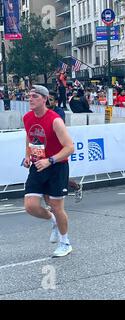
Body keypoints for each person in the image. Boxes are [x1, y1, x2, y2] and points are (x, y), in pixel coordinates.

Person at [23, 85, 75, 257]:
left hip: (56, 166)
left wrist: (50, 160)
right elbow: (29, 137)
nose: (30, 99)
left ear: (44, 99)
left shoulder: (55, 120)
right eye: (29, 96)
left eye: (35, 96)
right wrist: (27, 155)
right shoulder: (27, 117)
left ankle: (65, 243)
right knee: (30, 206)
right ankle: (52, 220)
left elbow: (70, 148)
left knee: (56, 206)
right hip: (38, 165)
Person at [47, 91, 83, 202]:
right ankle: (49, 204)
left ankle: (76, 186)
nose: (48, 102)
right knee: (46, 175)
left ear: (56, 102)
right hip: (45, 147)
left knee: (59, 177)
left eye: (51, 100)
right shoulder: (42, 111)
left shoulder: (59, 112)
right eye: (47, 99)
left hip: (58, 147)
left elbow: (56, 127)